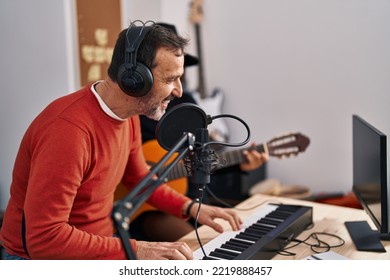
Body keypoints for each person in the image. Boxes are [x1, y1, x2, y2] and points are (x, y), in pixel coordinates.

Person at [0, 21, 244, 260]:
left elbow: (140, 179)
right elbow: (45, 239)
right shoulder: (69, 132)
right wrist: (139, 250)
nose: (179, 91)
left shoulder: (128, 116)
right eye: (170, 79)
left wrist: (191, 209)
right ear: (135, 79)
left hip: (97, 249)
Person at [125, 23, 269, 243]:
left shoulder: (188, 103)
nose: (178, 86)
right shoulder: (130, 111)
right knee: (199, 244)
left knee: (237, 234)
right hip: (145, 208)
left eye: (179, 74)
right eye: (169, 76)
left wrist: (240, 165)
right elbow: (128, 168)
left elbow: (199, 157)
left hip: (187, 197)